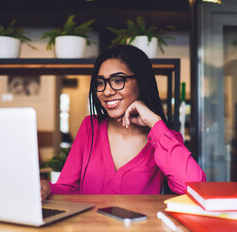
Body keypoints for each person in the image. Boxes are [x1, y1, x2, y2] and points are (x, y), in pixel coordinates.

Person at [40, 45, 206, 200]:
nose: (107, 91)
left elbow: (193, 187)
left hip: (141, 231)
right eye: (100, 82)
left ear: (140, 82)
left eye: (118, 81)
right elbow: (67, 188)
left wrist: (154, 122)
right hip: (89, 230)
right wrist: (47, 187)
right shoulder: (90, 127)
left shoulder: (165, 138)